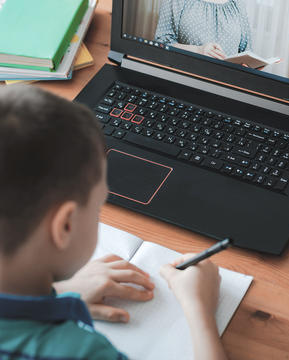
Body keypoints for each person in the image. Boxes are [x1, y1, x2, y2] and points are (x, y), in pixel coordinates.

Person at [0, 85, 227, 360]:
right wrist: (199, 309)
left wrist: (59, 293)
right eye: (98, 208)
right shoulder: (81, 352)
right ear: (65, 227)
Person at [155, 0, 252, 60]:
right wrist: (198, 50)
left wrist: (249, 65)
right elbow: (162, 44)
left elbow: (246, 51)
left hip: (228, 84)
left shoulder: (238, 4)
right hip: (188, 78)